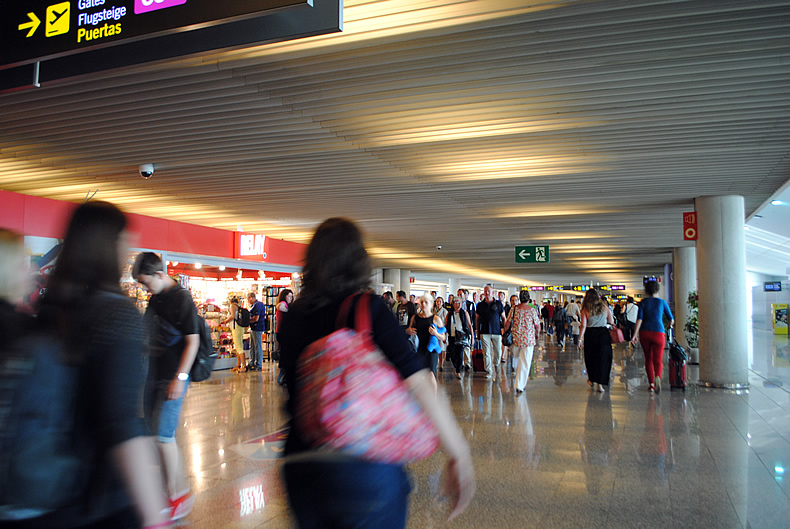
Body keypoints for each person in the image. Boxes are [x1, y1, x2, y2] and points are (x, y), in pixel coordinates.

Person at [279, 217, 474, 528]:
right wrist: (457, 453)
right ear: (359, 260)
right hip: (362, 464)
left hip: (300, 463)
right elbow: (420, 383)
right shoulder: (366, 308)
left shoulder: (293, 318)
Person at [32, 205, 170, 528]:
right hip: (100, 497)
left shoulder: (51, 308)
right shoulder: (117, 315)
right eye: (124, 240)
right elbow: (121, 422)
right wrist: (154, 515)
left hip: (47, 488)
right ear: (110, 246)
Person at [133, 251, 198, 521]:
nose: (146, 289)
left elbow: (192, 341)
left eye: (147, 283)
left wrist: (180, 378)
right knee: (153, 433)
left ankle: (174, 494)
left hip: (172, 376)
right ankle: (169, 490)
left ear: (160, 274)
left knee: (163, 434)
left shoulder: (182, 298)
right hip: (153, 374)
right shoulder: (156, 297)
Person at [631, 280, 674, 393]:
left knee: (648, 359)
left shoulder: (643, 302)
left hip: (645, 333)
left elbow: (639, 319)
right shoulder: (662, 302)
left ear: (646, 291)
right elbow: (671, 318)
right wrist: (669, 325)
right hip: (659, 333)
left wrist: (634, 334)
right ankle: (658, 377)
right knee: (658, 359)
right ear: (657, 290)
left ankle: (651, 384)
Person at [504, 291, 541, 393]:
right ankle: (519, 385)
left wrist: (505, 331)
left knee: (516, 360)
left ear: (519, 298)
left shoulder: (514, 308)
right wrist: (537, 334)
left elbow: (508, 322)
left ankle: (517, 377)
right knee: (525, 362)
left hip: (516, 338)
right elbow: (537, 325)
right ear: (528, 299)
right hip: (528, 340)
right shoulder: (532, 310)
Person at [578, 289, 615, 393]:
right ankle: (600, 383)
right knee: (603, 358)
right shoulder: (605, 307)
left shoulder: (585, 309)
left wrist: (580, 339)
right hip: (603, 334)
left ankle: (592, 378)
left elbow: (583, 325)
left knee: (591, 358)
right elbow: (611, 321)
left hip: (591, 335)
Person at [407, 294, 447, 379]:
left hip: (432, 350)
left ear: (431, 305)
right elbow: (408, 330)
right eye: (422, 302)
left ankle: (433, 392)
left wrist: (436, 333)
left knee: (431, 374)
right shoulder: (415, 318)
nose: (423, 304)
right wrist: (409, 331)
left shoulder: (435, 318)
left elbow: (443, 337)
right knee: (421, 374)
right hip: (419, 349)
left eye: (426, 302)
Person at [476, 285, 505, 381]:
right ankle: (489, 371)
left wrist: (504, 330)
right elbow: (477, 319)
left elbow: (504, 318)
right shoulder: (480, 305)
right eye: (485, 291)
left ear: (493, 292)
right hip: (484, 332)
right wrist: (478, 332)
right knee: (486, 353)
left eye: (489, 291)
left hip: (497, 332)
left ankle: (496, 366)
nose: (487, 293)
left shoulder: (499, 304)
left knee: (498, 352)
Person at [445, 297, 473, 380]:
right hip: (452, 336)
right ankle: (456, 366)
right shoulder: (449, 314)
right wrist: (444, 336)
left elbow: (469, 325)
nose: (459, 304)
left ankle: (458, 372)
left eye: (460, 302)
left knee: (460, 354)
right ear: (453, 304)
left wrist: (472, 337)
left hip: (461, 337)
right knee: (452, 354)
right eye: (457, 302)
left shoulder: (465, 313)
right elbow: (446, 325)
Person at [221, 296, 247, 373]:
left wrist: (225, 321)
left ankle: (244, 366)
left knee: (239, 347)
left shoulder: (232, 306)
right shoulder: (238, 307)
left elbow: (232, 316)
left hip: (236, 328)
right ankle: (238, 365)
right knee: (238, 347)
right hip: (240, 328)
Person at [275, 289, 294, 385]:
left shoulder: (285, 305)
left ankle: (283, 375)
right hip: (282, 332)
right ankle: (282, 375)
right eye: (289, 296)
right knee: (285, 353)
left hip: (282, 332)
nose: (290, 298)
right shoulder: (282, 304)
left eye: (291, 296)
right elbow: (281, 307)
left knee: (285, 353)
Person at [246, 292, 266, 370]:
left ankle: (258, 363)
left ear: (251, 297)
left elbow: (256, 318)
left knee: (257, 346)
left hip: (257, 327)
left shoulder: (258, 305)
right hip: (254, 328)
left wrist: (248, 321)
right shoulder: (255, 305)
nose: (248, 301)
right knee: (252, 346)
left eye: (248, 299)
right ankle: (252, 361)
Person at [434, 296, 448, 371]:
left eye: (440, 301)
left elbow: (446, 323)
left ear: (442, 303)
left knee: (442, 348)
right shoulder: (433, 311)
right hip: (434, 331)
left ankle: (441, 363)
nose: (438, 303)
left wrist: (445, 334)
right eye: (437, 301)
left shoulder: (445, 311)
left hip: (442, 331)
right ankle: (436, 362)